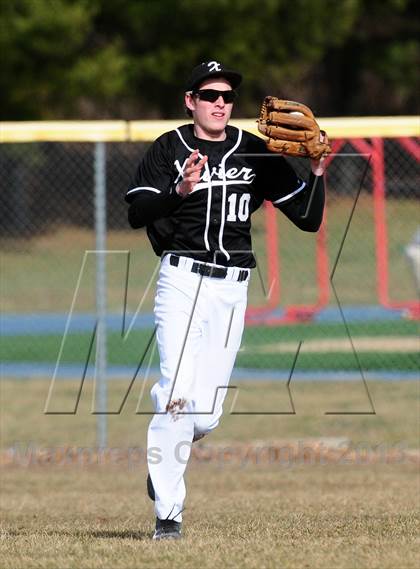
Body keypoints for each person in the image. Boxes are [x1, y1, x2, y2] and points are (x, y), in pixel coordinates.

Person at [125, 61, 328, 540]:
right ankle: (168, 517)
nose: (220, 102)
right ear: (190, 101)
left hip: (231, 287)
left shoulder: (254, 151)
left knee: (205, 414)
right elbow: (138, 212)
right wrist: (180, 189)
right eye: (209, 94)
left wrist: (318, 172)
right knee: (177, 399)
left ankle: (165, 449)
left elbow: (308, 219)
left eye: (227, 96)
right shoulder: (169, 148)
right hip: (182, 280)